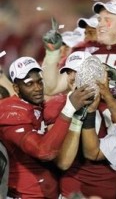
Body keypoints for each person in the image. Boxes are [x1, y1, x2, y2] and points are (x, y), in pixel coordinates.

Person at [0, 56, 94, 198]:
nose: (37, 88)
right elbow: (44, 151)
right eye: (29, 84)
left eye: (39, 82)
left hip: (47, 191)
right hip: (26, 194)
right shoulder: (11, 113)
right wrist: (69, 108)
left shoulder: (37, 105)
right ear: (16, 88)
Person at [45, 51, 116, 198]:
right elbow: (63, 162)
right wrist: (76, 116)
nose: (73, 77)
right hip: (73, 189)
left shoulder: (112, 106)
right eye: (69, 72)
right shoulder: (56, 105)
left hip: (107, 188)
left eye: (79, 71)